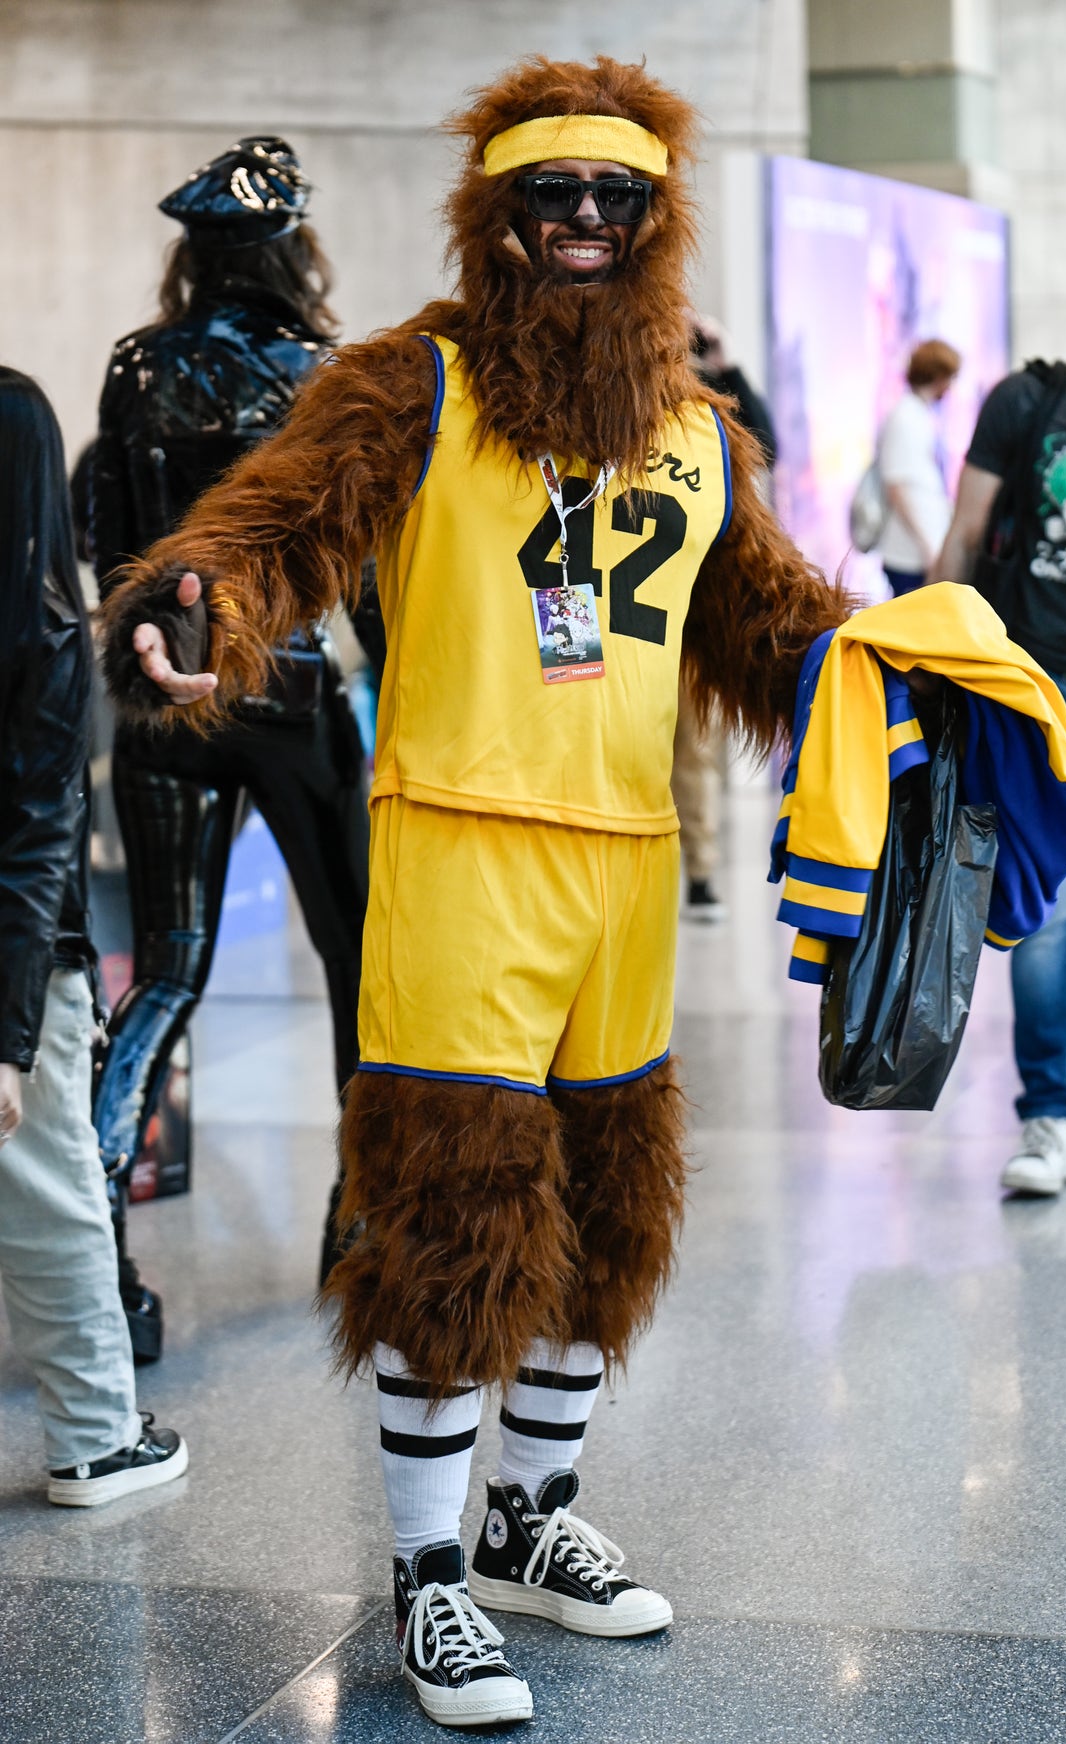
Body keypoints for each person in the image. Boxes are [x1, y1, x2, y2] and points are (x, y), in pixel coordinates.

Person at [100, 58, 847, 1728]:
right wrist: (196, 600)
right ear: (494, 214)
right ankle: (430, 1576)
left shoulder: (698, 434)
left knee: (608, 1207)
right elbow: (280, 528)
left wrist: (915, 677)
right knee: (456, 1218)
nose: (582, 219)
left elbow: (775, 629)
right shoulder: (411, 384)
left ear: (657, 221)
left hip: (624, 870)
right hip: (458, 854)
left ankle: (528, 1515)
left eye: (615, 196)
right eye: (549, 193)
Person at [89, 137, 383, 1358]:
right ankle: (358, 1226)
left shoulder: (136, 365)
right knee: (360, 964)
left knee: (165, 973)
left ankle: (98, 1259)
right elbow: (362, 566)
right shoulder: (324, 373)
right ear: (290, 250)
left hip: (165, 699)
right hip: (291, 695)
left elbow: (111, 544)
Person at [0, 367, 187, 1507]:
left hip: (20, 952)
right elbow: (35, 833)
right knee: (52, 1188)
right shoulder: (44, 633)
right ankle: (97, 1439)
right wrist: (13, 1032)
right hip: (19, 959)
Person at [934, 213, 1066, 1195]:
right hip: (1046, 694)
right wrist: (934, 665)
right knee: (1050, 917)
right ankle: (1047, 1114)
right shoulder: (1031, 402)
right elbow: (963, 534)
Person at [673, 313, 780, 922]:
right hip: (617, 608)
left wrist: (727, 366)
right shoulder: (620, 395)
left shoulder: (707, 407)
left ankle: (699, 869)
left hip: (691, 612)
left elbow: (766, 448)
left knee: (694, 747)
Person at [878, 338, 960, 597]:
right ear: (938, 376)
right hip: (908, 555)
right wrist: (928, 549)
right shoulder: (905, 417)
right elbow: (896, 489)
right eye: (950, 377)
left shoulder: (919, 414)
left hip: (920, 550)